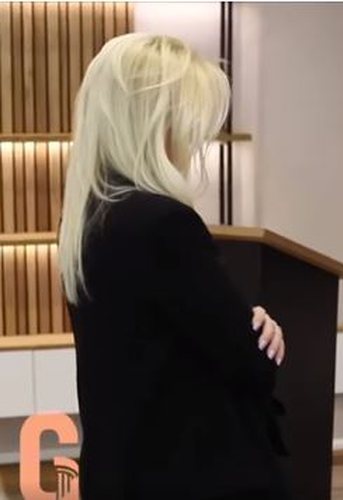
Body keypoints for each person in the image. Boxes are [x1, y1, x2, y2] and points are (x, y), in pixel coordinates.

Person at [58, 33, 288, 500]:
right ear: (156, 123)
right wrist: (261, 334)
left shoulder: (90, 216)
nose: (195, 140)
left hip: (121, 468)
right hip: (189, 473)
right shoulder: (163, 223)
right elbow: (250, 363)